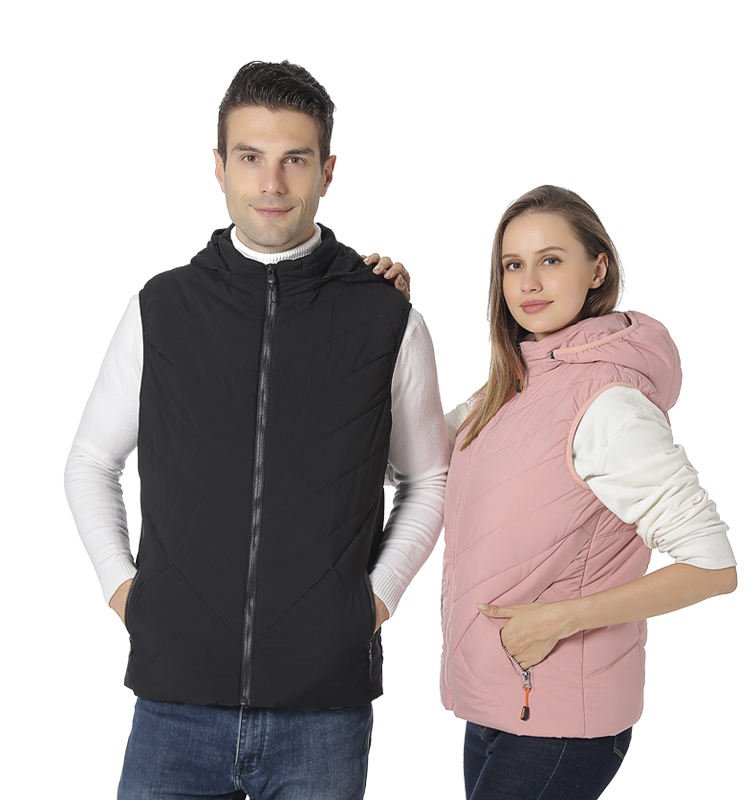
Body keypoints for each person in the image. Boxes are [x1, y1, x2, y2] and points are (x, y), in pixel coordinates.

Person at [64, 60, 449, 800]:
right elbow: (89, 461)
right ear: (218, 167)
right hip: (174, 705)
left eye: (294, 159)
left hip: (323, 711)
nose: (271, 183)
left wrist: (373, 602)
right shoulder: (162, 308)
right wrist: (126, 592)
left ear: (327, 171)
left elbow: (428, 476)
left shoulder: (386, 318)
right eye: (250, 157)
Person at [378, 185, 737, 799]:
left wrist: (557, 620)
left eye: (550, 260)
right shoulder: (509, 389)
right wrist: (383, 323)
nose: (528, 283)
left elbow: (712, 566)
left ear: (597, 269)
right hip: (499, 701)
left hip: (560, 717)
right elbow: (404, 462)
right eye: (512, 264)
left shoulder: (609, 403)